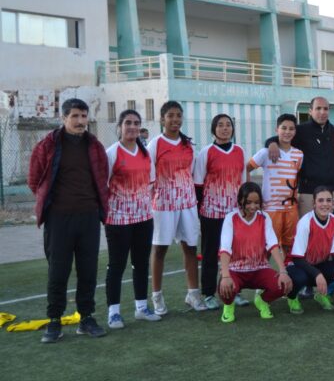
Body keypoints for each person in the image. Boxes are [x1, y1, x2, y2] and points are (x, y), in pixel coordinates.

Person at [29, 98, 109, 343]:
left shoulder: (95, 147)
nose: (80, 121)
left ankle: (86, 318)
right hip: (59, 219)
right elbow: (34, 180)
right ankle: (54, 321)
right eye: (75, 116)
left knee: (88, 271)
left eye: (84, 116)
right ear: (63, 118)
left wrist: (96, 209)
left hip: (88, 218)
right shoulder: (47, 145)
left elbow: (102, 177)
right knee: (58, 272)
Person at [148, 101, 206, 314]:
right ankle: (157, 297)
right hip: (163, 205)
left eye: (178, 115)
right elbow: (149, 175)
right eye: (170, 115)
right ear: (162, 119)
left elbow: (190, 173)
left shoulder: (188, 145)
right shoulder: (155, 144)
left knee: (190, 247)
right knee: (160, 249)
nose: (175, 120)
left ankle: (193, 294)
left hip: (187, 204)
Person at [104, 109, 160, 330]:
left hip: (144, 219)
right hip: (117, 220)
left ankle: (141, 308)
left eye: (136, 123)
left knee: (140, 264)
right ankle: (114, 313)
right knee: (116, 266)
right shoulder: (112, 153)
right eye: (128, 123)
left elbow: (151, 183)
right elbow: (103, 186)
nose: (133, 127)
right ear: (120, 126)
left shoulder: (146, 153)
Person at [194, 113, 248, 309]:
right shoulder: (206, 152)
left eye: (228, 125)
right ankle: (208, 293)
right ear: (213, 129)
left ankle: (235, 291)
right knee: (210, 253)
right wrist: (199, 213)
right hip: (211, 212)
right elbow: (198, 183)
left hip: (233, 213)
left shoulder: (240, 151)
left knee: (235, 254)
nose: (225, 128)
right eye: (220, 125)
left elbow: (243, 182)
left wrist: (243, 209)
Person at [218, 182, 293, 323]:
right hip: (236, 270)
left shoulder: (264, 218)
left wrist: (283, 271)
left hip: (259, 269)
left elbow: (273, 244)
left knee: (282, 284)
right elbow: (225, 248)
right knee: (225, 287)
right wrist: (226, 275)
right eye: (249, 202)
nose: (253, 206)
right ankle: (229, 305)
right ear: (241, 200)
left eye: (257, 202)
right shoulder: (231, 218)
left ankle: (262, 301)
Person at [264, 97, 334, 217]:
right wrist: (271, 143)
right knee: (308, 230)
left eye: (325, 109)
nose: (322, 112)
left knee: (332, 229)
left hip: (332, 191)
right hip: (308, 193)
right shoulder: (301, 131)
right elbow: (281, 137)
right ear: (310, 111)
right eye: (318, 108)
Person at [248, 114, 303, 265]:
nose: (287, 131)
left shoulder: (299, 155)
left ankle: (289, 279)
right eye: (284, 128)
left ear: (295, 132)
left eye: (291, 128)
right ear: (276, 129)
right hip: (271, 209)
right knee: (267, 246)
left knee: (289, 246)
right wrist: (250, 190)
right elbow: (246, 168)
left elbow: (295, 178)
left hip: (291, 209)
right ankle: (261, 278)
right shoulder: (265, 152)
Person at [286, 187, 334, 313]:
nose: (325, 204)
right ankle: (291, 297)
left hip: (318, 263)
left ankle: (322, 294)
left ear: (333, 203)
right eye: (320, 200)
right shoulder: (305, 222)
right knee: (300, 278)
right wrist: (318, 274)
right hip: (297, 264)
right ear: (314, 203)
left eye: (328, 200)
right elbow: (297, 258)